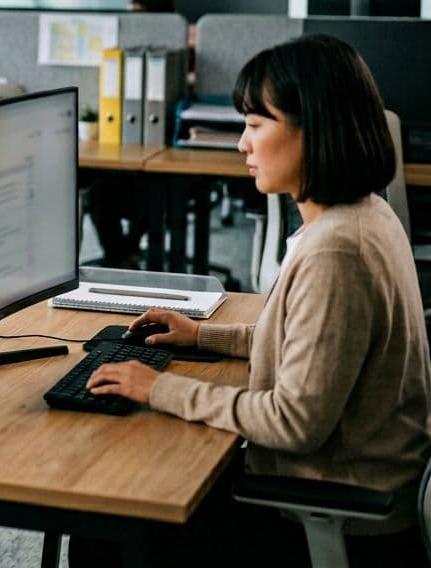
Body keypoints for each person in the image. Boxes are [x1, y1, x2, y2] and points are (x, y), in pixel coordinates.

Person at [76, 34, 431, 567]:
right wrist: (202, 334)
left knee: (108, 524)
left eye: (255, 125)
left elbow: (294, 421)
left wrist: (158, 387)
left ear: (313, 131)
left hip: (335, 516)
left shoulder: (337, 250)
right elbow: (312, 345)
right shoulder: (365, 213)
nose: (242, 144)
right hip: (347, 487)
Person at [84, 0, 177, 268]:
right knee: (99, 192)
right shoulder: (120, 57)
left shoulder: (176, 54)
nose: (131, 22)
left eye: (138, 15)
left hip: (167, 157)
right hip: (121, 150)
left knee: (153, 191)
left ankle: (125, 254)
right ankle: (121, 257)